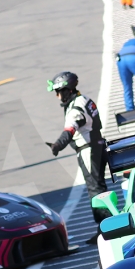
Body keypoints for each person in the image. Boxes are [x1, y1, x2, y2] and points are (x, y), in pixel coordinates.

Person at [47, 72, 109, 233]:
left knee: (95, 190)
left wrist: (56, 146)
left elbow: (69, 130)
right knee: (98, 187)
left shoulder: (75, 108)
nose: (57, 96)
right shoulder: (85, 99)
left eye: (58, 92)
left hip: (88, 150)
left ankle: (106, 229)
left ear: (66, 90)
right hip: (98, 145)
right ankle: (105, 228)